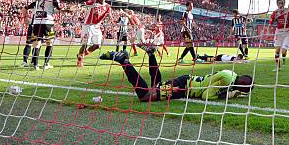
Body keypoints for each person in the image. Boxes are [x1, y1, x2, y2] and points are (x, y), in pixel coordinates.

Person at [99, 48, 253, 102]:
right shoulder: (227, 80)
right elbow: (207, 95)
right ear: (241, 86)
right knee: (145, 96)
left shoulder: (231, 75)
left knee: (155, 86)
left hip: (185, 83)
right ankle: (123, 61)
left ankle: (151, 55)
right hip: (183, 87)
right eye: (243, 90)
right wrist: (230, 94)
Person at [22, 0, 71, 70]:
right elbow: (59, 8)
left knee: (36, 44)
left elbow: (27, 7)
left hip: (36, 23)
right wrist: (67, 10)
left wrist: (25, 18)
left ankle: (35, 65)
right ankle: (46, 64)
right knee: (50, 42)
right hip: (48, 23)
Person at [77, 0, 112, 67]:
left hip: (97, 27)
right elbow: (85, 3)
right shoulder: (93, 2)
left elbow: (109, 15)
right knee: (85, 44)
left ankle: (81, 55)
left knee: (97, 45)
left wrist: (109, 18)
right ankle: (80, 61)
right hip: (88, 25)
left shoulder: (107, 6)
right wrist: (80, 5)